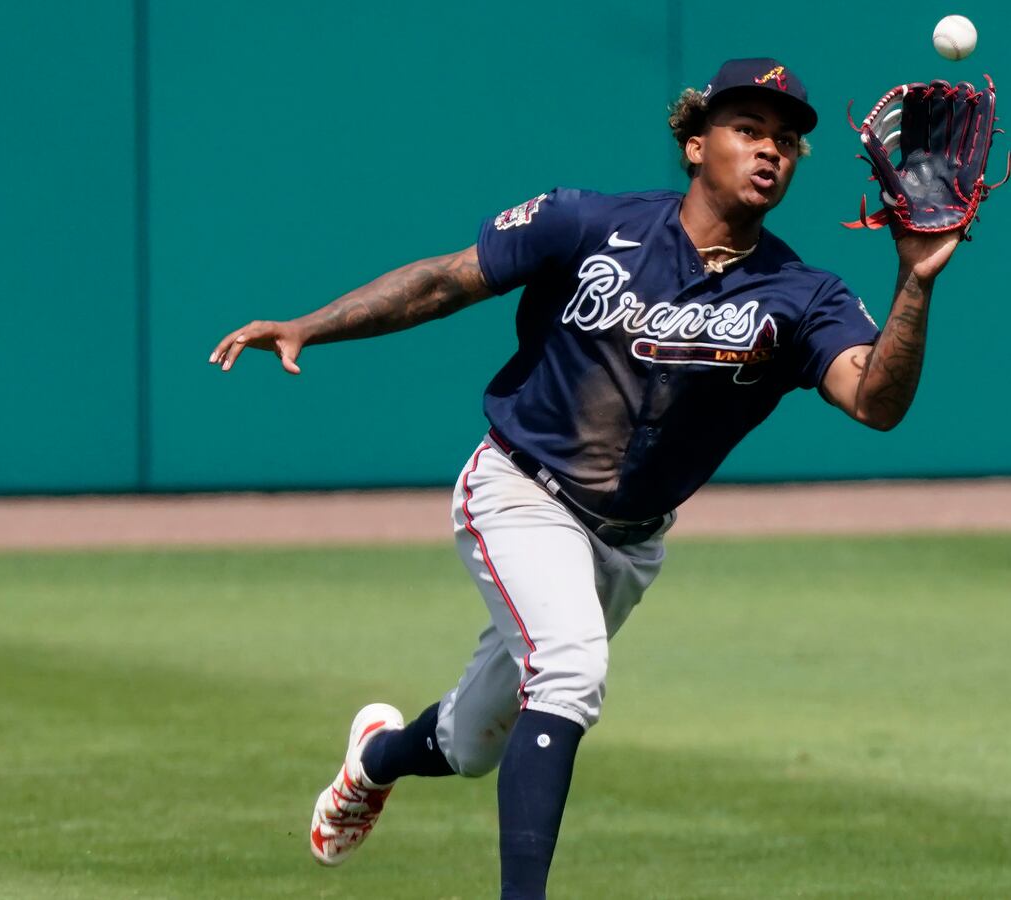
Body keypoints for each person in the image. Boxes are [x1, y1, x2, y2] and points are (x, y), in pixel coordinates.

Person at [209, 57, 961, 900]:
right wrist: (311, 325)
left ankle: (374, 759)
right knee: (568, 668)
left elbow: (875, 401)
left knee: (472, 742)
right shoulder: (585, 222)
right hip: (520, 490)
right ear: (693, 143)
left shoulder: (803, 293)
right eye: (748, 130)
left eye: (785, 141)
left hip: (628, 545)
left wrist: (915, 281)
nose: (770, 152)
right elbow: (443, 282)